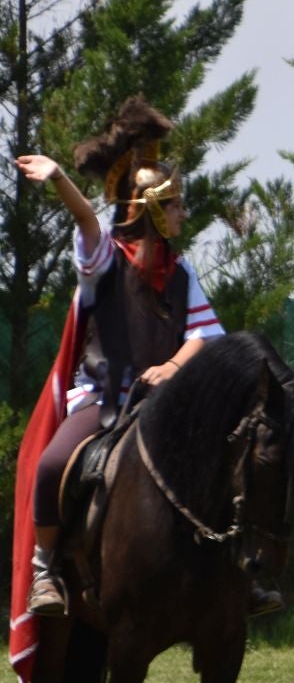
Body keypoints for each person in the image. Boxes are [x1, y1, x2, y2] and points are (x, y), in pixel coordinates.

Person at [10, 98, 226, 631]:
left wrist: (174, 367)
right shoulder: (104, 258)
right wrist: (60, 178)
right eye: (173, 203)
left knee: (235, 459)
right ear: (150, 208)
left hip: (163, 400)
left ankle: (239, 573)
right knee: (53, 464)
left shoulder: (182, 273)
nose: (181, 212)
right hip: (103, 399)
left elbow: (205, 335)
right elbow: (86, 217)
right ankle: (46, 569)